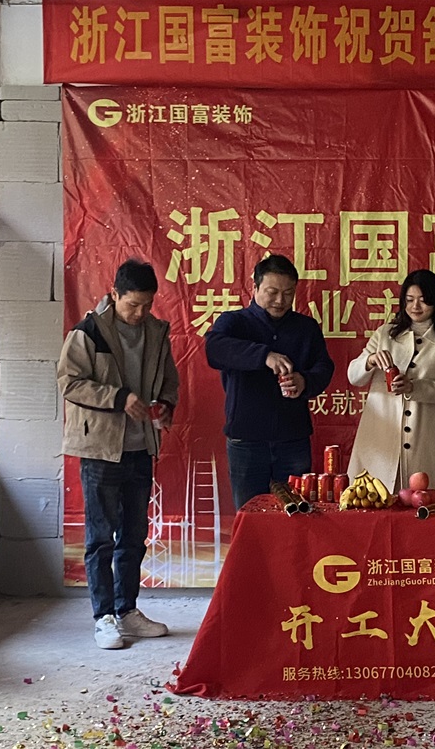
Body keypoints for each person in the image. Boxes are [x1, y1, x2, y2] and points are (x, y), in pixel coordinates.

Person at [57, 259, 179, 650]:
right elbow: (69, 383)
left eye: (147, 305)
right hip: (101, 449)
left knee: (134, 535)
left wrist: (165, 405)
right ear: (114, 294)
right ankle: (103, 616)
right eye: (132, 305)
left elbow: (169, 380)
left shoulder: (157, 332)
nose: (140, 313)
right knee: (100, 538)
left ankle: (127, 610)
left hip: (141, 447)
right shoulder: (89, 332)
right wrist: (119, 397)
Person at [205, 254, 334, 509]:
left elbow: (324, 367)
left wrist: (304, 381)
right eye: (272, 292)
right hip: (247, 441)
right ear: (254, 287)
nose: (280, 301)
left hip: (293, 439)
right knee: (250, 513)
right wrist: (263, 356)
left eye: (288, 293)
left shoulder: (306, 327)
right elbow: (214, 350)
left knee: (296, 513)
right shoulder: (234, 322)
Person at [347, 270, 435, 492]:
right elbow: (354, 376)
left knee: (428, 502)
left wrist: (413, 387)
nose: (415, 307)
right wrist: (370, 361)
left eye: (423, 300)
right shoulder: (385, 334)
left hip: (427, 437)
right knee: (374, 499)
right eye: (409, 300)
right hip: (382, 435)